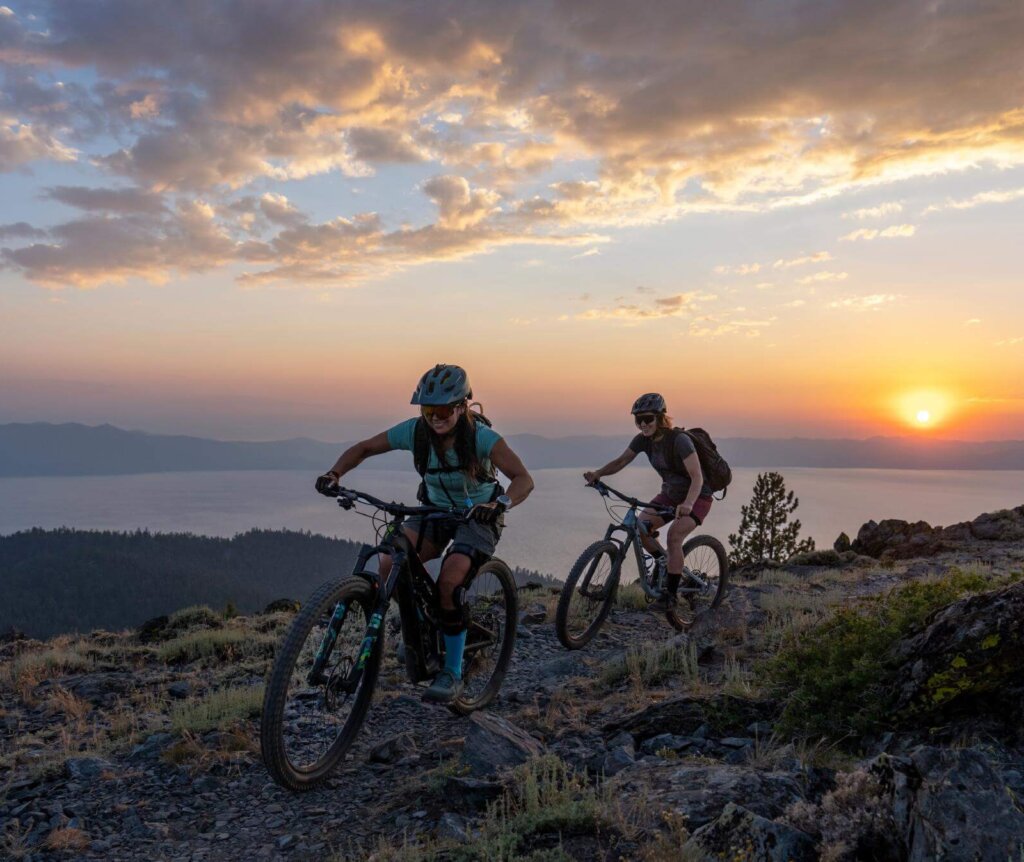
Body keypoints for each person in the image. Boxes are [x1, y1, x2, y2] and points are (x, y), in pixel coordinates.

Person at [315, 364, 534, 704]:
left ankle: (453, 671)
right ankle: (419, 633)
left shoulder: (481, 438)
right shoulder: (415, 432)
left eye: (444, 409)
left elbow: (523, 479)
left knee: (449, 581)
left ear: (462, 407)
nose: (435, 417)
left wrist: (501, 503)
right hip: (433, 510)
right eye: (428, 410)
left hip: (477, 516)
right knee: (389, 563)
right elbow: (364, 448)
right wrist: (334, 473)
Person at [583, 393, 712, 611]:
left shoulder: (680, 440)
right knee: (641, 528)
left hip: (697, 496)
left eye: (648, 418)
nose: (643, 424)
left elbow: (697, 476)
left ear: (660, 418)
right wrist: (599, 474)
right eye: (638, 419)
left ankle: (670, 596)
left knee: (674, 537)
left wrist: (689, 503)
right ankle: (665, 563)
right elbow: (622, 461)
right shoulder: (643, 440)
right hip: (670, 496)